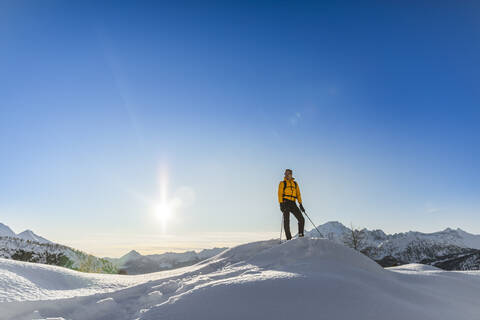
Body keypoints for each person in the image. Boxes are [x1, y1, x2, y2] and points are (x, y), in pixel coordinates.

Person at [278, 169, 305, 240]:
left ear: (291, 174)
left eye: (288, 173)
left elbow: (298, 194)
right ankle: (289, 239)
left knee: (301, 219)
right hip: (285, 203)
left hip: (293, 203)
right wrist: (281, 204)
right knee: (286, 221)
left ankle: (301, 235)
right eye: (285, 174)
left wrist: (300, 204)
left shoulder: (295, 184)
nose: (286, 175)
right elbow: (279, 194)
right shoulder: (282, 183)